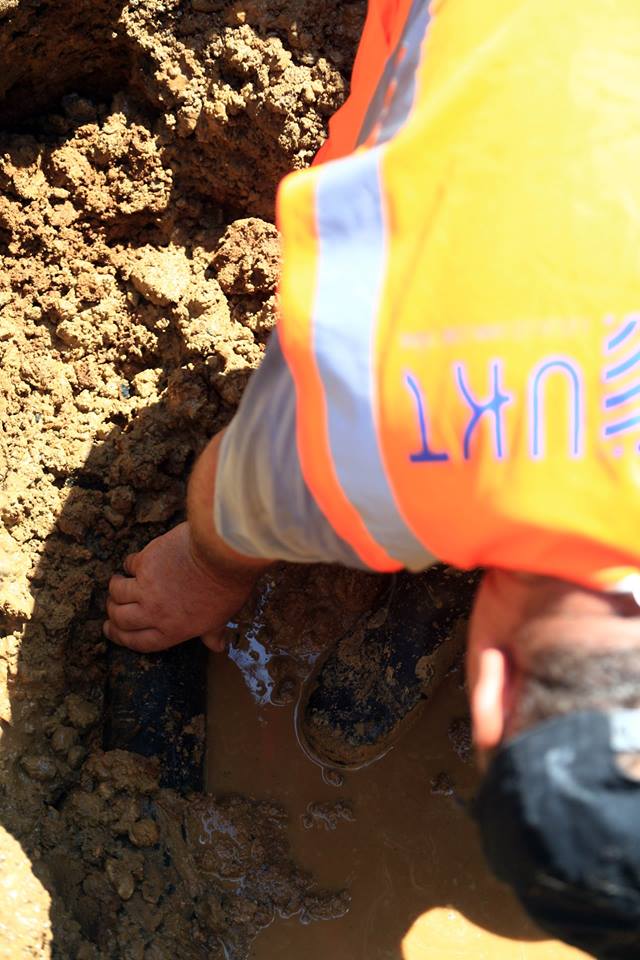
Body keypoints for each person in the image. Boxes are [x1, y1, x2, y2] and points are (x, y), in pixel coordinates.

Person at [104, 1, 640, 956]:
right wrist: (202, 571)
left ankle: (489, 562)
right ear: (484, 691)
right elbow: (230, 493)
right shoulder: (363, 449)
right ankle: (475, 564)